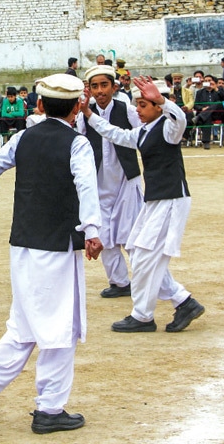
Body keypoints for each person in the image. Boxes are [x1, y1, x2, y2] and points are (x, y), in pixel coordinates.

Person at [0, 73, 102, 435]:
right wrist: (93, 230)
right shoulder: (77, 144)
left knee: (26, 325)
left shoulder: (22, 138)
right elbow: (85, 184)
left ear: (38, 105)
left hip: (22, 245)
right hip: (57, 245)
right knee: (59, 327)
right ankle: (49, 408)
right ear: (78, 106)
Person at [82, 76, 205, 334]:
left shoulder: (169, 129)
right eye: (137, 104)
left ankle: (144, 315)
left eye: (143, 105)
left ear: (158, 107)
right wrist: (88, 113)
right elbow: (115, 134)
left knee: (148, 255)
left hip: (171, 200)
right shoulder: (145, 130)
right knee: (138, 250)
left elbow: (180, 120)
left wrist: (163, 100)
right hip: (156, 201)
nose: (137, 110)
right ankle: (183, 301)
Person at [76, 65, 142, 298]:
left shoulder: (128, 110)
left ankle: (143, 280)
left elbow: (143, 136)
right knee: (104, 234)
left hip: (126, 179)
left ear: (114, 87)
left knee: (131, 232)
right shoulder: (83, 113)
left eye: (104, 85)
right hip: (99, 181)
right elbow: (80, 140)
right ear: (89, 89)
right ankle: (119, 282)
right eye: (95, 86)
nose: (100, 91)